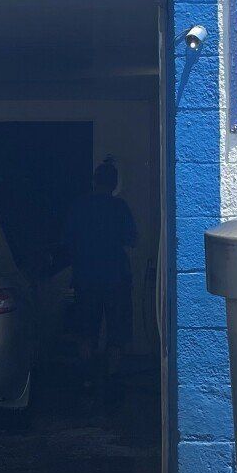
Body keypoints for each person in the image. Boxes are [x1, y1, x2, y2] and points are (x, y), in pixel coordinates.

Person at [63, 159, 138, 383]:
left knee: (86, 329)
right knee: (117, 329)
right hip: (116, 277)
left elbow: (67, 241)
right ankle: (112, 378)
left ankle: (87, 378)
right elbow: (131, 240)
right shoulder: (120, 208)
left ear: (95, 181)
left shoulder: (79, 206)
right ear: (114, 183)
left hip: (86, 277)